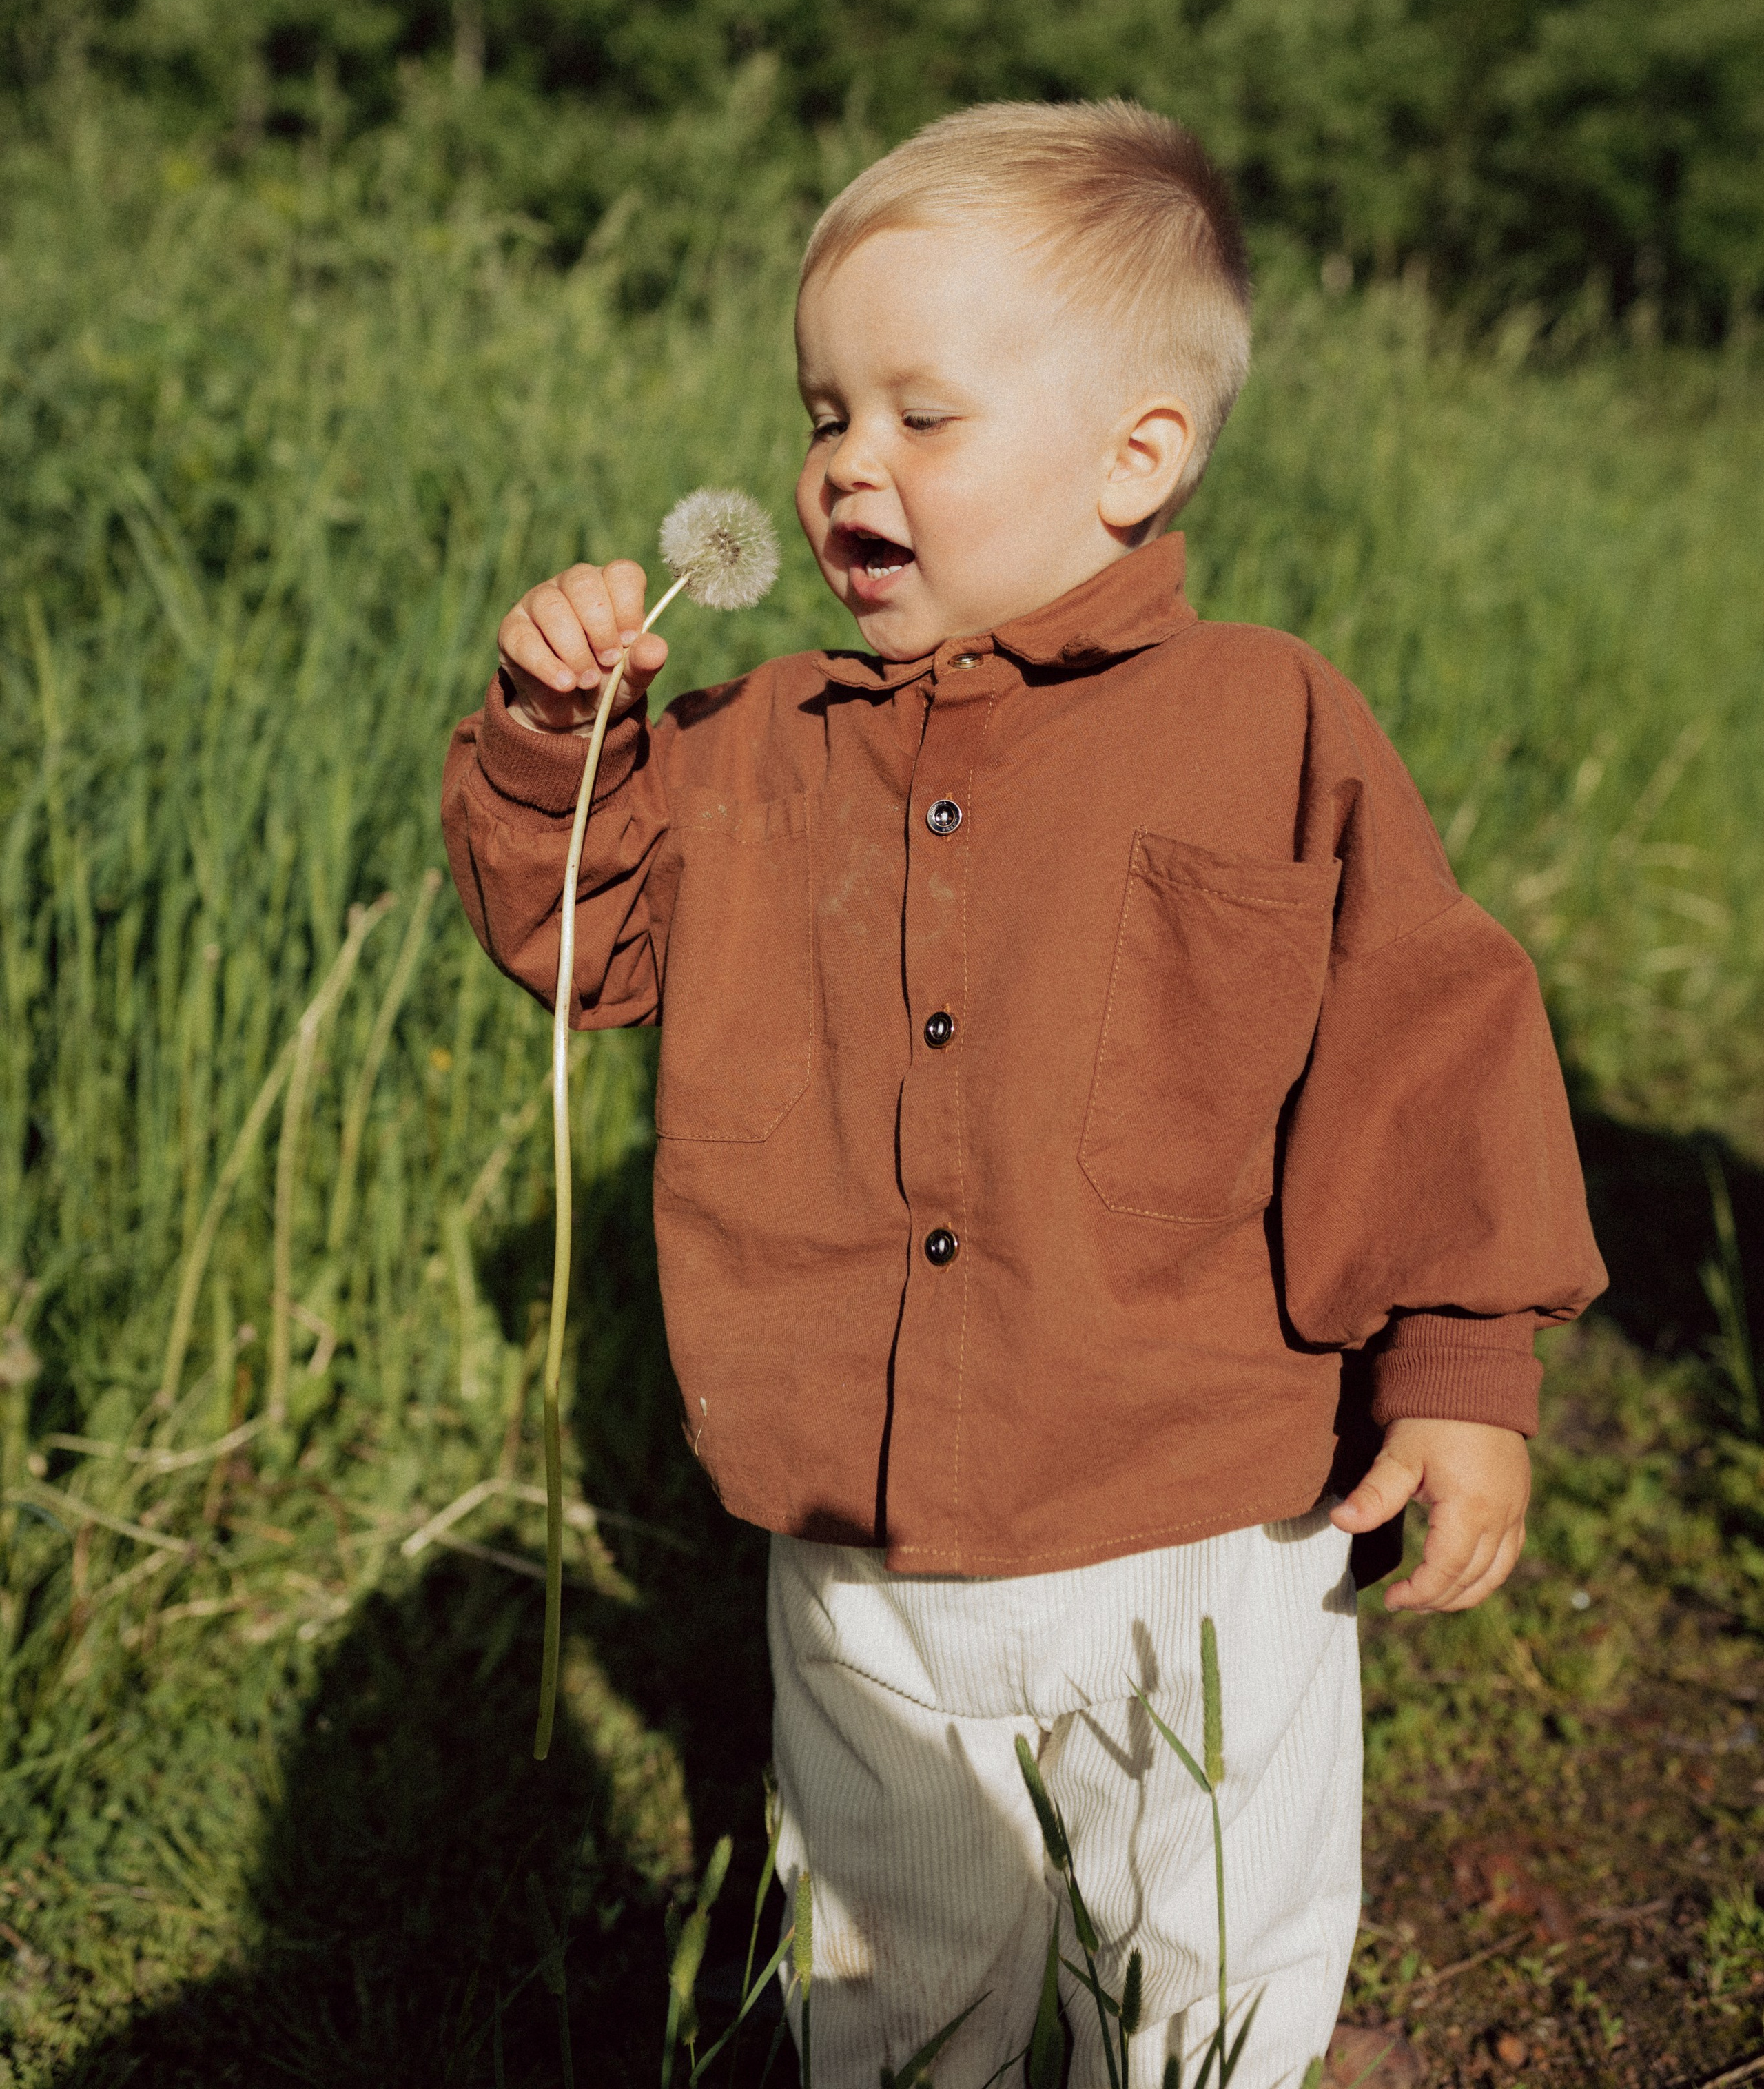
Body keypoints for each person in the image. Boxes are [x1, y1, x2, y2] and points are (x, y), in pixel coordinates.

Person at [442, 101, 1605, 2087]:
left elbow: (1423, 1048)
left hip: (1200, 1515)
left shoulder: (1268, 720)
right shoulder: (746, 746)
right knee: (895, 1968)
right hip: (858, 1532)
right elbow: (582, 941)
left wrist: (1463, 1369)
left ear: (1135, 457)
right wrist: (563, 735)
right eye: (824, 414)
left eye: (923, 416)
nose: (846, 464)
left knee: (1211, 1949)